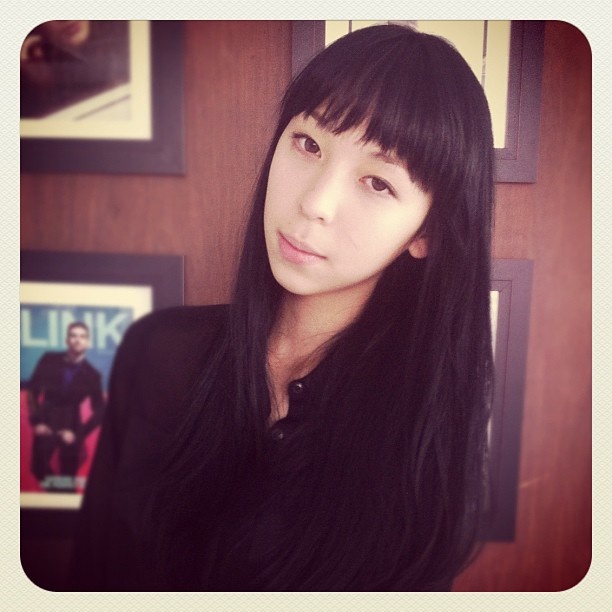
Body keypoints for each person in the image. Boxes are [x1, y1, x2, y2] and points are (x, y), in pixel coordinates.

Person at [70, 24, 494, 591]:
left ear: (427, 233)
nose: (314, 202)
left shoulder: (421, 441)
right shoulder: (157, 355)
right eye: (309, 144)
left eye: (378, 182)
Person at [26, 321, 105, 492]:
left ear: (88, 343)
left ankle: (65, 501)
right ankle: (60, 494)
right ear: (67, 340)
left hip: (73, 424)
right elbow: (33, 390)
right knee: (38, 467)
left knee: (69, 475)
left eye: (82, 337)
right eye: (73, 336)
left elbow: (100, 411)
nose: (77, 340)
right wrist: (37, 422)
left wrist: (78, 433)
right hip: (46, 417)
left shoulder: (93, 374)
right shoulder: (49, 359)